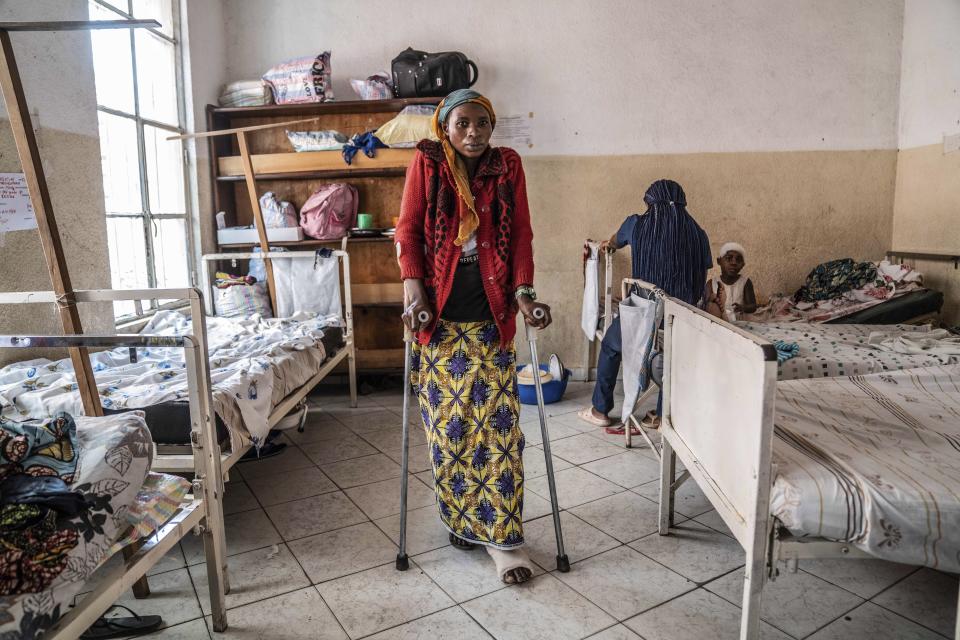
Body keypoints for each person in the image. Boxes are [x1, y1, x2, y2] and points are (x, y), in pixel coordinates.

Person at [394, 88, 551, 585]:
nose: (473, 132)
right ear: (446, 125)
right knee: (451, 434)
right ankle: (463, 521)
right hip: (438, 326)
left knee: (500, 432)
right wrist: (414, 296)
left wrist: (524, 292)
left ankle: (506, 543)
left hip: (491, 321)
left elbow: (521, 232)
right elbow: (409, 232)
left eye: (482, 123)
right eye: (463, 123)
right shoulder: (428, 163)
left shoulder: (507, 166)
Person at [578, 179, 712, 433]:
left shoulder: (637, 224)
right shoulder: (699, 234)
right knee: (670, 360)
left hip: (644, 315)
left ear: (650, 202)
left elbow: (615, 241)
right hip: (682, 317)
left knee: (610, 345)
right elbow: (702, 276)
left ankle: (600, 410)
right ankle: (662, 415)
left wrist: (609, 243)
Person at [704, 242, 757, 321]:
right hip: (718, 321)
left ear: (743, 264)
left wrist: (743, 307)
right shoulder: (711, 283)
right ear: (719, 261)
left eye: (738, 260)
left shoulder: (745, 282)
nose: (734, 263)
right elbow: (706, 306)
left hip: (739, 322)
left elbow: (753, 306)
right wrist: (712, 300)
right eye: (729, 258)